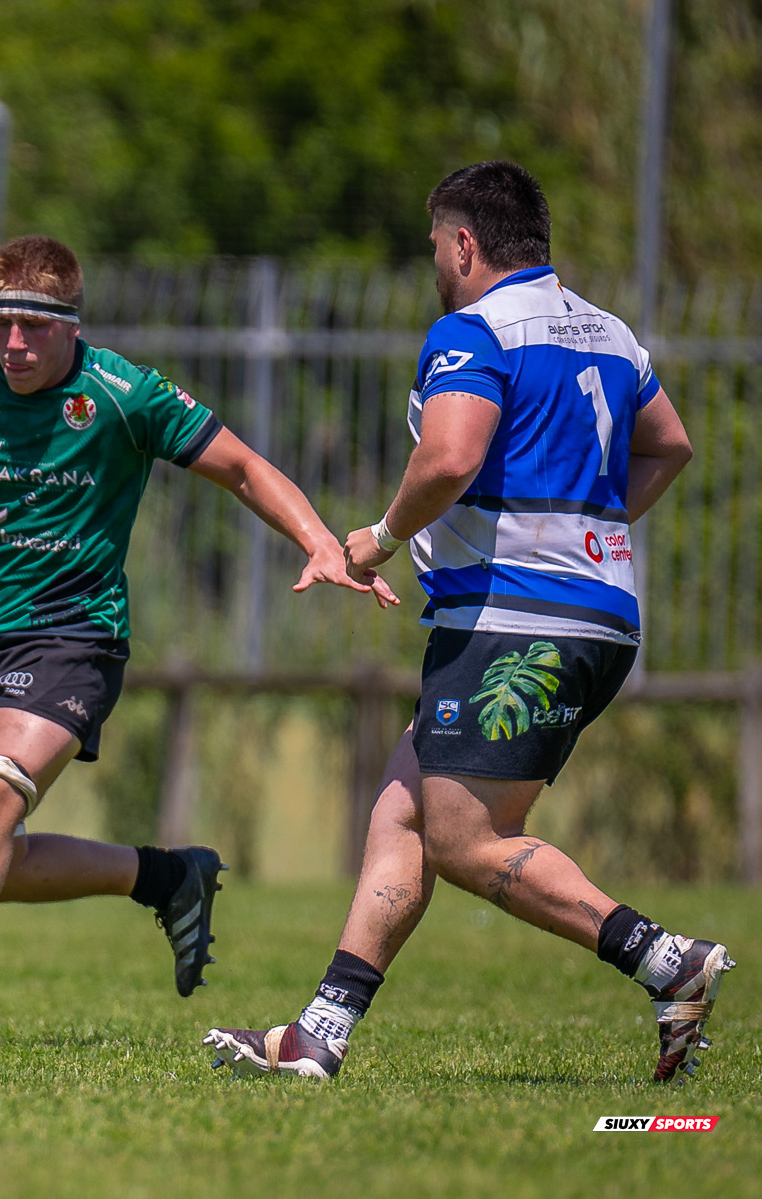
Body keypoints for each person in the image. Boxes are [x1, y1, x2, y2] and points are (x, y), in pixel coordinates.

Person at [0, 236, 394, 1042]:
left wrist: (315, 538)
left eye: (34, 326)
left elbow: (239, 466)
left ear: (72, 324)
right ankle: (167, 875)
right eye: (4, 325)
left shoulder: (122, 392)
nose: (16, 345)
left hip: (75, 636)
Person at [201, 161, 728, 1084]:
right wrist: (584, 536)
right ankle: (320, 1033)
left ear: (464, 243)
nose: (435, 265)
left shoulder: (471, 331)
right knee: (404, 810)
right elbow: (670, 444)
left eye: (436, 247)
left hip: (512, 622)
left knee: (464, 838)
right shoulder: (610, 333)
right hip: (597, 615)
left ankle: (663, 959)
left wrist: (376, 537)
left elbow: (448, 457)